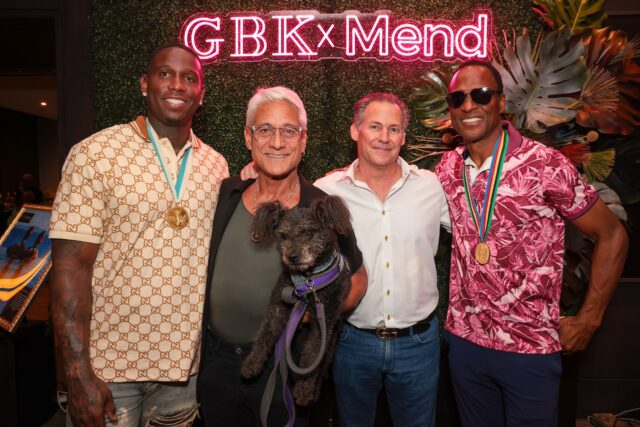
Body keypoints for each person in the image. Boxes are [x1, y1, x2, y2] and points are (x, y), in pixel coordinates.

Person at [435, 60, 629, 426]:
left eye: (480, 95)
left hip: (529, 348)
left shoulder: (544, 164)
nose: (468, 106)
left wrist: (589, 319)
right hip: (465, 345)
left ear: (501, 102)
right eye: (457, 98)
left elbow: (612, 234)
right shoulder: (446, 169)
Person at [49, 43, 229, 427]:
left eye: (189, 77)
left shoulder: (216, 164)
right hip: (108, 370)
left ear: (201, 92)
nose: (177, 85)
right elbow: (69, 268)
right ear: (145, 84)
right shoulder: (95, 154)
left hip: (183, 374)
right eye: (165, 74)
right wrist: (77, 373)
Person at [197, 86, 366, 426]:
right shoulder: (226, 194)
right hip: (215, 363)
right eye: (265, 130)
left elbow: (358, 278)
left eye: (289, 131)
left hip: (284, 366)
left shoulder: (321, 209)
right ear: (248, 137)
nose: (277, 142)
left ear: (303, 140)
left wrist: (313, 315)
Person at [314, 93, 450, 427]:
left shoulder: (430, 187)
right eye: (374, 126)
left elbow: (475, 227)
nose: (384, 137)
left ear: (404, 137)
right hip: (352, 342)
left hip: (418, 344)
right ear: (354, 131)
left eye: (394, 129)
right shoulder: (327, 190)